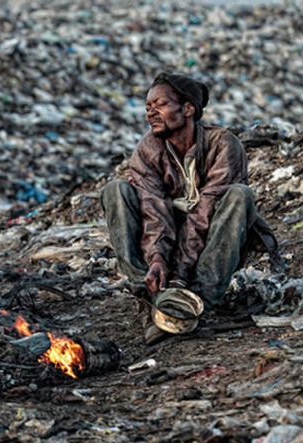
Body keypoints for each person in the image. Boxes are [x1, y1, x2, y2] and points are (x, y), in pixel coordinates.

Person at [101, 72, 282, 341]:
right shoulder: (148, 149)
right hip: (170, 239)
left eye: (160, 105)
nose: (151, 113)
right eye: (148, 107)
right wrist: (158, 259)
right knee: (116, 190)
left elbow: (205, 210)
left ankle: (199, 301)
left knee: (239, 195)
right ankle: (150, 295)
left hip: (212, 243)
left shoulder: (223, 144)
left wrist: (182, 277)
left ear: (187, 109)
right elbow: (153, 210)